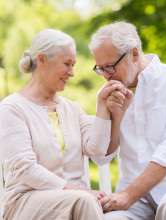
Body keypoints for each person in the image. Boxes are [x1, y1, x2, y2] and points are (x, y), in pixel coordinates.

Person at [88, 21, 166, 220]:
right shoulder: (108, 94)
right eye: (100, 68)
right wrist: (110, 113)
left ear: (135, 54)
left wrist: (127, 195)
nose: (105, 76)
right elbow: (101, 158)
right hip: (137, 202)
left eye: (110, 67)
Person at [0, 29, 127, 220]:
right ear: (41, 60)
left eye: (73, 65)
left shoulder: (72, 109)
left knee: (113, 209)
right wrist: (79, 191)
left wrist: (102, 105)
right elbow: (25, 168)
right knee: (85, 201)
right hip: (25, 201)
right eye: (67, 64)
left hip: (75, 200)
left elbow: (98, 152)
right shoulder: (12, 108)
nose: (72, 73)